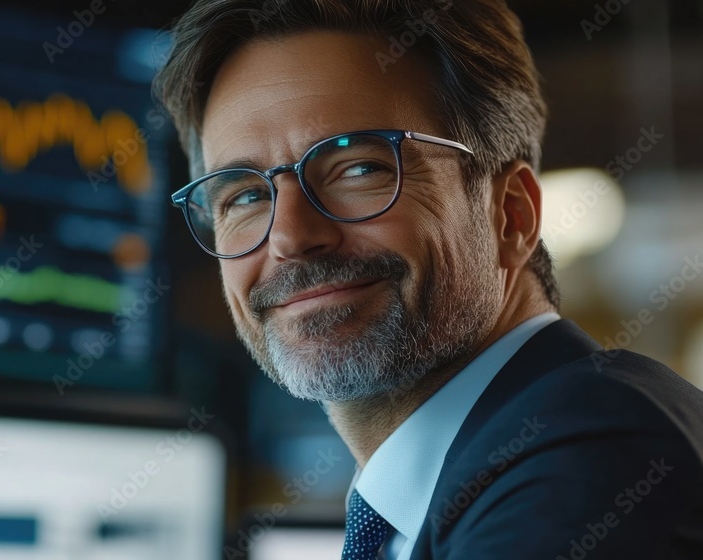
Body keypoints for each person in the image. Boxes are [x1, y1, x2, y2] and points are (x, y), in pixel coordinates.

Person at [153, 0, 703, 558]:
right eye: (244, 196)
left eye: (359, 168)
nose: (290, 238)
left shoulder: (590, 453)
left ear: (511, 214)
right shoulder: (441, 498)